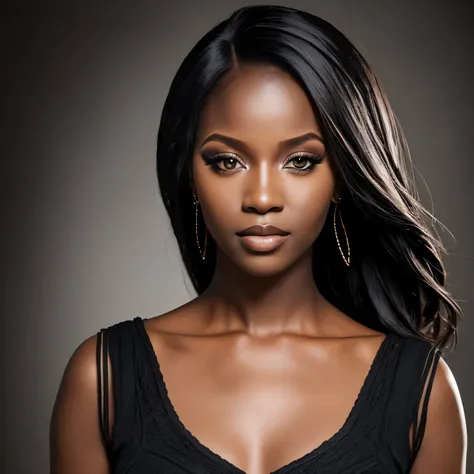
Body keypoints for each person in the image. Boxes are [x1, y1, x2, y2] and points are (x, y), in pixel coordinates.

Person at [49, 5, 467, 474]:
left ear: (344, 178)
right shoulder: (101, 379)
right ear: (188, 174)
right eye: (227, 161)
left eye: (301, 161)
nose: (262, 197)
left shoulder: (422, 397)